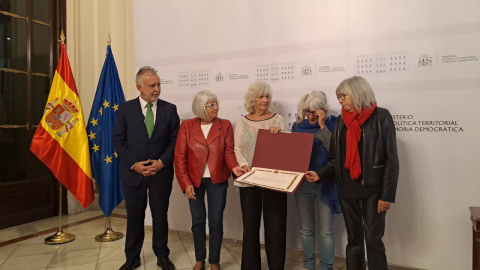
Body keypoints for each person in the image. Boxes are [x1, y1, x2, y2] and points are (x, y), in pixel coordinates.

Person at [305, 76, 399, 270]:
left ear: (358, 92)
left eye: (344, 95)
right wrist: (320, 174)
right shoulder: (340, 122)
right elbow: (335, 159)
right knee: (354, 240)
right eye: (338, 96)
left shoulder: (382, 116)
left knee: (373, 240)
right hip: (347, 190)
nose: (340, 100)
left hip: (374, 191)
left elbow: (391, 159)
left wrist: (387, 195)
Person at [113, 66, 180, 270]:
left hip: (161, 173)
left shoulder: (170, 109)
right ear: (139, 87)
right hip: (133, 174)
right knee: (135, 217)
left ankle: (162, 256)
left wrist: (161, 163)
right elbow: (118, 140)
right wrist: (135, 165)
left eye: (159, 84)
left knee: (160, 217)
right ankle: (132, 257)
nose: (157, 89)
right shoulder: (125, 109)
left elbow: (175, 141)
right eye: (152, 86)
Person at [174, 90, 246, 270]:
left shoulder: (225, 125)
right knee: (198, 221)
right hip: (194, 181)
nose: (216, 107)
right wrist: (185, 183)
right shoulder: (187, 126)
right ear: (201, 107)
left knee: (216, 222)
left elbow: (228, 152)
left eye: (216, 103)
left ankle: (214, 260)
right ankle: (200, 259)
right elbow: (180, 157)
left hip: (217, 180)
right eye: (211, 105)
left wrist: (234, 167)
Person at [234, 81, 287, 270]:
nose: (265, 100)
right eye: (261, 97)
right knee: (250, 227)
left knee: (276, 227)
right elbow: (237, 148)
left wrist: (280, 135)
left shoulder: (278, 119)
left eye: (267, 96)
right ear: (252, 100)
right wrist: (243, 165)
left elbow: (287, 149)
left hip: (274, 181)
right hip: (249, 180)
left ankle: (276, 266)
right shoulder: (242, 121)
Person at [291, 91, 341, 270]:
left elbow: (335, 152)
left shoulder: (333, 124)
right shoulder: (297, 127)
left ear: (323, 110)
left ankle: (326, 267)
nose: (311, 116)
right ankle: (308, 266)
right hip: (303, 183)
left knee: (326, 231)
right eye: (307, 111)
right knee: (306, 229)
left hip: (325, 182)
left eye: (315, 112)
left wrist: (322, 126)